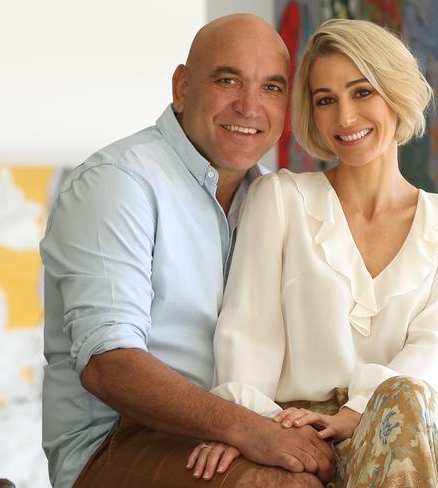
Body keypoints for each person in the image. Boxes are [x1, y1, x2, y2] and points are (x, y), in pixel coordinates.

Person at [187, 18, 438, 488]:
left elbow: (434, 351)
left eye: (362, 93)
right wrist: (243, 425)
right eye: (325, 101)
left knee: (406, 398)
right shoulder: (281, 199)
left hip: (402, 423)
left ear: (395, 94)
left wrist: (360, 412)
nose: (345, 118)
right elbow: (248, 334)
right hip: (294, 428)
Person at [40, 14, 336, 488]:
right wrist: (247, 428)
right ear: (181, 87)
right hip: (118, 442)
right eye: (227, 80)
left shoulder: (274, 202)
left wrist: (435, 456)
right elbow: (108, 365)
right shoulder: (118, 183)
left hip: (244, 428)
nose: (249, 106)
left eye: (272, 88)